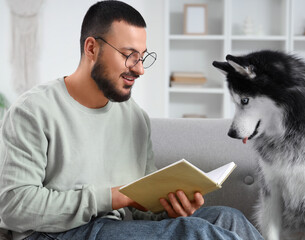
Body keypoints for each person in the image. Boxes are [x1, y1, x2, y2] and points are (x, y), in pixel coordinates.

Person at [0, 1, 264, 240]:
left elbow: (142, 213)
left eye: (142, 56)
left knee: (229, 218)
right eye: (129, 55)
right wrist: (113, 197)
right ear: (91, 48)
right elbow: (14, 206)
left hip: (113, 228)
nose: (139, 69)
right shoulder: (33, 110)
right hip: (52, 234)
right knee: (195, 233)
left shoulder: (134, 117)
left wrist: (169, 210)